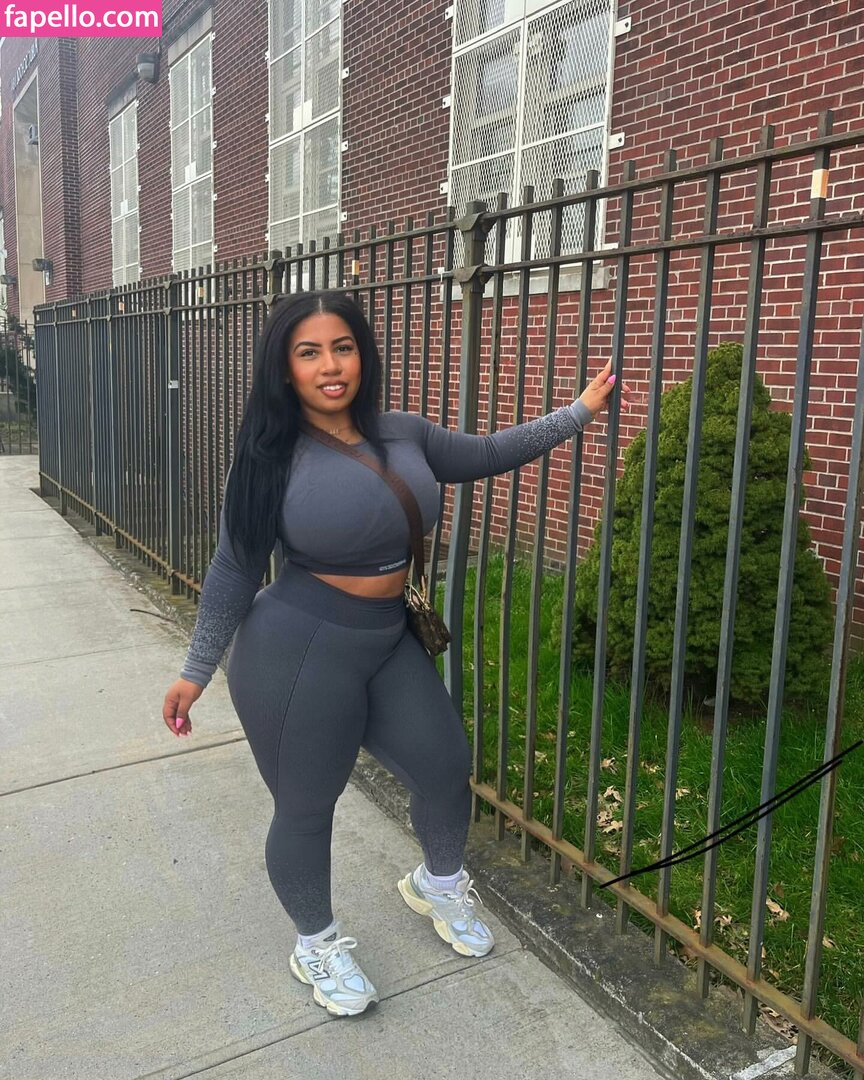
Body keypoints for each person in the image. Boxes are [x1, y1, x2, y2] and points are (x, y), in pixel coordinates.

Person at [161, 290, 629, 1018]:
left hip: (387, 635)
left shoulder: (403, 433)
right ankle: (316, 942)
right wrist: (195, 670)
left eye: (342, 347)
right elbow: (233, 568)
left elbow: (488, 453)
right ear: (284, 368)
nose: (330, 366)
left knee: (444, 767)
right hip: (298, 649)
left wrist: (576, 414)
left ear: (363, 354)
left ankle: (436, 886)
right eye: (309, 353)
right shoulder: (268, 457)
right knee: (307, 806)